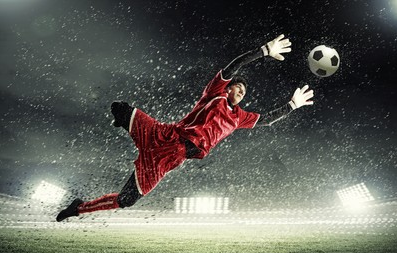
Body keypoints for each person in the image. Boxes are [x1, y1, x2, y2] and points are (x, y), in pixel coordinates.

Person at [56, 34, 314, 222]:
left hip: (169, 157)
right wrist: (264, 50)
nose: (241, 91)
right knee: (119, 107)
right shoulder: (214, 94)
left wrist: (292, 104)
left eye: (244, 91)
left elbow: (267, 119)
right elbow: (232, 67)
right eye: (238, 87)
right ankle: (124, 124)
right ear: (228, 88)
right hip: (163, 134)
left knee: (126, 200)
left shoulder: (239, 117)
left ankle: (78, 208)